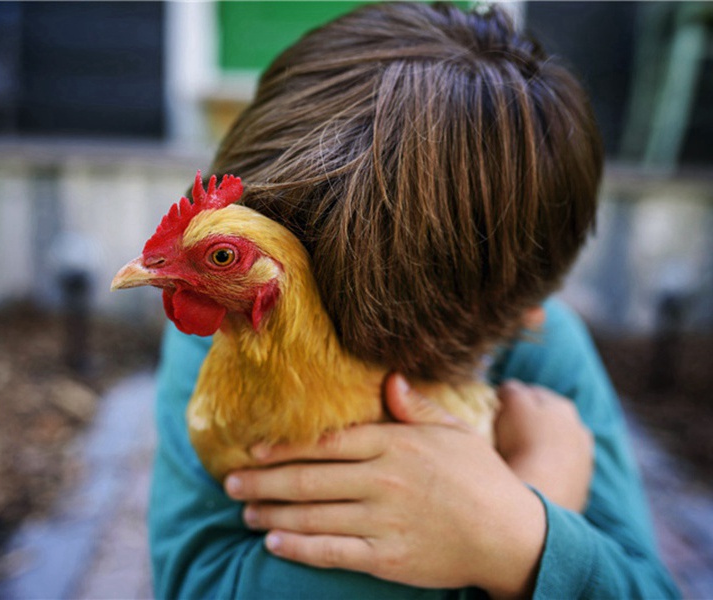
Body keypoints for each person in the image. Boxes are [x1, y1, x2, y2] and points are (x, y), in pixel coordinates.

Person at [148, 3, 680, 598]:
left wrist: (518, 537)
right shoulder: (232, 330)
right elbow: (194, 579)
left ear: (517, 316)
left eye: (331, 321)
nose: (292, 323)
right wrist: (533, 518)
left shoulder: (542, 354)